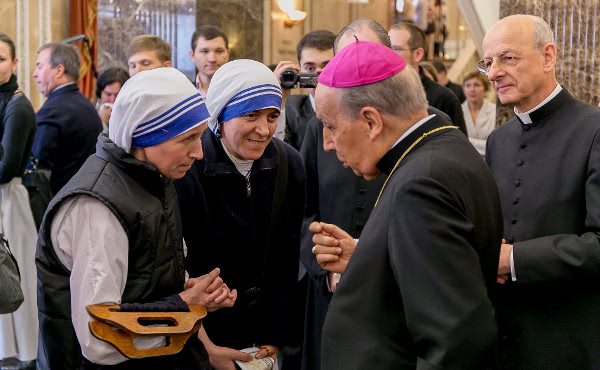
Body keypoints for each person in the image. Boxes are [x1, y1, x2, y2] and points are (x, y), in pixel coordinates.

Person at [311, 38, 502, 369]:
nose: (327, 143)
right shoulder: (444, 144)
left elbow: (453, 344)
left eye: (331, 126)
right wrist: (368, 256)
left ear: (371, 121)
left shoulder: (421, 185)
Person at [36, 67, 236, 369]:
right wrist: (185, 305)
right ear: (145, 136)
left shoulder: (154, 178)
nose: (199, 152)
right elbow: (100, 338)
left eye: (200, 137)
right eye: (187, 139)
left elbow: (148, 275)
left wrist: (191, 293)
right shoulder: (97, 206)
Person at [482, 14, 600, 369]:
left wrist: (513, 259)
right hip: (503, 339)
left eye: (507, 58)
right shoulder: (497, 141)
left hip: (569, 340)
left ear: (548, 57)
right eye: (487, 62)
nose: (493, 73)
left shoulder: (593, 130)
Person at [175, 59, 305, 370]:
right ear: (220, 114)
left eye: (273, 116)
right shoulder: (187, 167)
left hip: (262, 336)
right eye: (250, 115)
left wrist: (274, 337)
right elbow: (173, 267)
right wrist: (205, 346)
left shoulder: (288, 163)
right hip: (200, 332)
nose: (264, 130)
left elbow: (287, 259)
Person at [30, 43, 102, 223]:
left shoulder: (54, 111)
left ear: (59, 70)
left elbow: (38, 176)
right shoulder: (87, 106)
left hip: (61, 214)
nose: (34, 74)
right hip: (89, 207)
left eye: (39, 66)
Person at [0, 32, 38, 369]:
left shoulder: (19, 105)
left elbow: (7, 166)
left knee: (15, 274)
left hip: (9, 199)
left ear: (14, 63)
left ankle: (25, 352)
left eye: (1, 59)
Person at [388, 22, 467, 135]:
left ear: (418, 54)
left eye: (396, 49)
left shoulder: (444, 98)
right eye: (386, 48)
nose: (388, 55)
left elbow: (458, 147)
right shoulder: (379, 92)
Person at [283, 29, 335, 151]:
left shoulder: (353, 110)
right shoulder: (289, 109)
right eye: (310, 68)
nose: (319, 76)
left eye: (327, 66)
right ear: (299, 70)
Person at [189, 25, 230, 98]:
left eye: (219, 51)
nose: (212, 59)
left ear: (228, 54)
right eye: (204, 51)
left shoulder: (241, 93)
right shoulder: (182, 94)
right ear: (192, 56)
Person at [461, 71, 495, 156]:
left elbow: (495, 145)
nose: (472, 89)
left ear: (485, 88)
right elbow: (456, 143)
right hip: (465, 160)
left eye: (477, 85)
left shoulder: (495, 111)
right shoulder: (458, 111)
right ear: (464, 90)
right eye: (468, 85)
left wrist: (467, 142)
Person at [95, 67, 129, 134]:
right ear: (100, 93)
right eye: (108, 94)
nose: (112, 100)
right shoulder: (91, 112)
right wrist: (102, 123)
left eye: (117, 95)